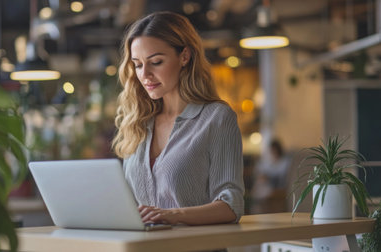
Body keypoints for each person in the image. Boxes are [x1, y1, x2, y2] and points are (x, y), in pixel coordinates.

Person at [112, 11, 244, 226]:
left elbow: (232, 205)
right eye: (137, 64)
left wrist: (173, 215)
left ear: (184, 56)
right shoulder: (139, 122)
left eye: (156, 62)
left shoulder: (217, 118)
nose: (144, 74)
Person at [251, 139, 291, 213]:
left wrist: (267, 178)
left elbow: (281, 177)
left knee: (261, 187)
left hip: (278, 186)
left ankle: (258, 206)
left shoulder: (284, 162)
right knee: (259, 182)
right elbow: (259, 169)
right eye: (271, 151)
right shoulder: (269, 161)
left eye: (274, 150)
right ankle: (257, 207)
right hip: (267, 184)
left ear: (279, 150)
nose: (273, 152)